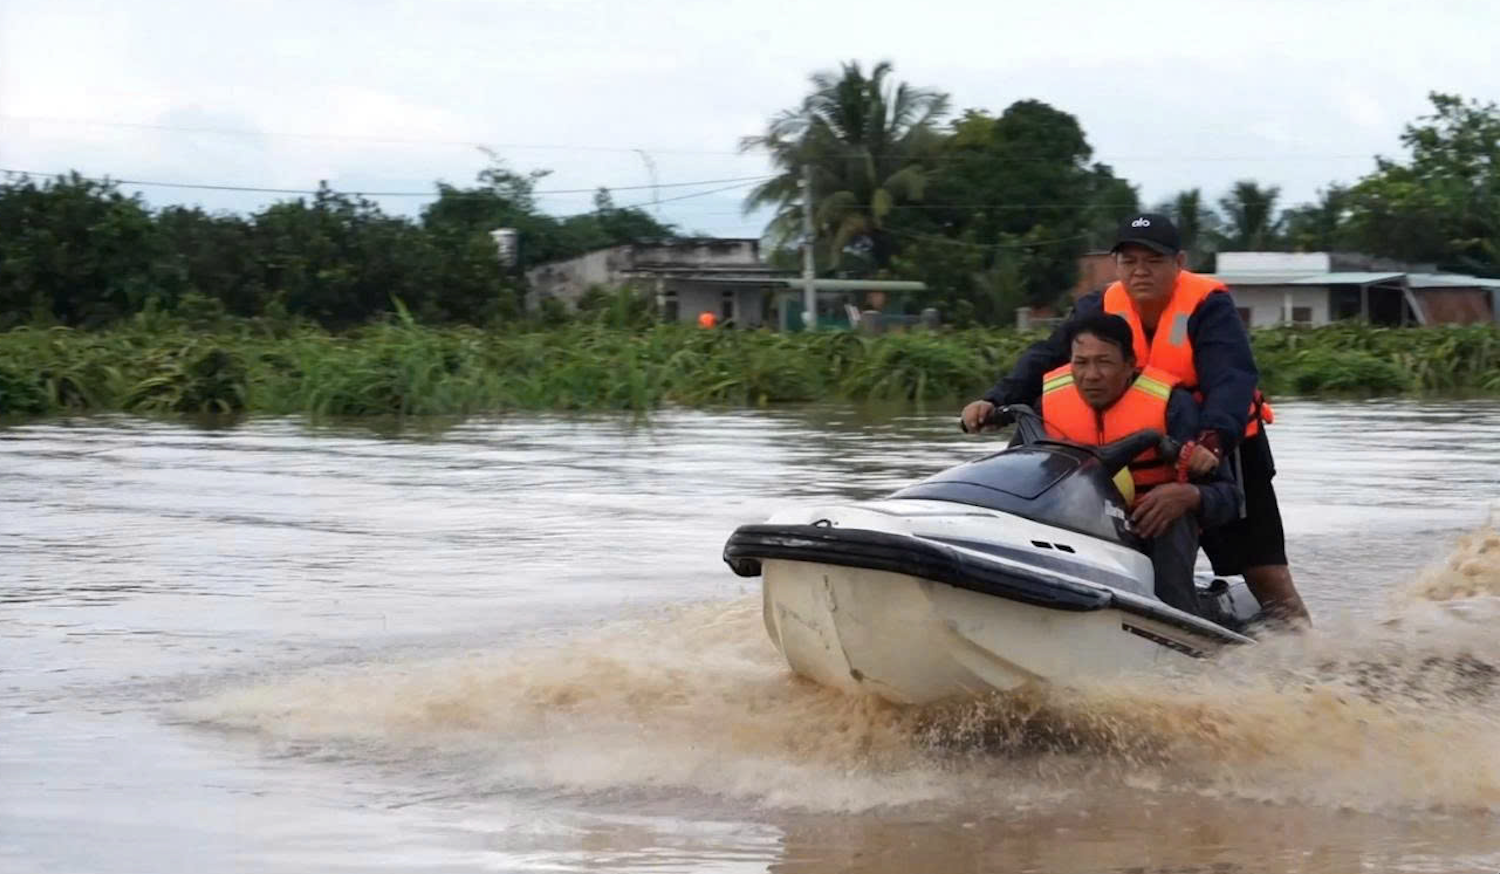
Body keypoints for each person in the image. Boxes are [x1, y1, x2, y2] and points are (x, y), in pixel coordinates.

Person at [961, 213, 1311, 626]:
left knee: (1265, 573)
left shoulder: (1208, 305)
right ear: (1116, 264)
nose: (1140, 271)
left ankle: (1308, 649)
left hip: (1218, 440)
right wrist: (995, 400)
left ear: (1179, 262)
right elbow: (1048, 355)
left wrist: (1212, 440)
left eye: (1153, 260)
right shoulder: (1097, 306)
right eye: (1129, 261)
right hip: (1131, 441)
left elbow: (1232, 379)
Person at [1022, 313, 1241, 615]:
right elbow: (1018, 474)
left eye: (1104, 362)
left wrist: (1190, 495)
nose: (1091, 375)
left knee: (1173, 519)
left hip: (1150, 529)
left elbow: (1230, 497)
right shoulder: (1046, 407)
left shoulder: (1174, 407)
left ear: (1129, 364)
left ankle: (1177, 618)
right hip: (1074, 530)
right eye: (1081, 362)